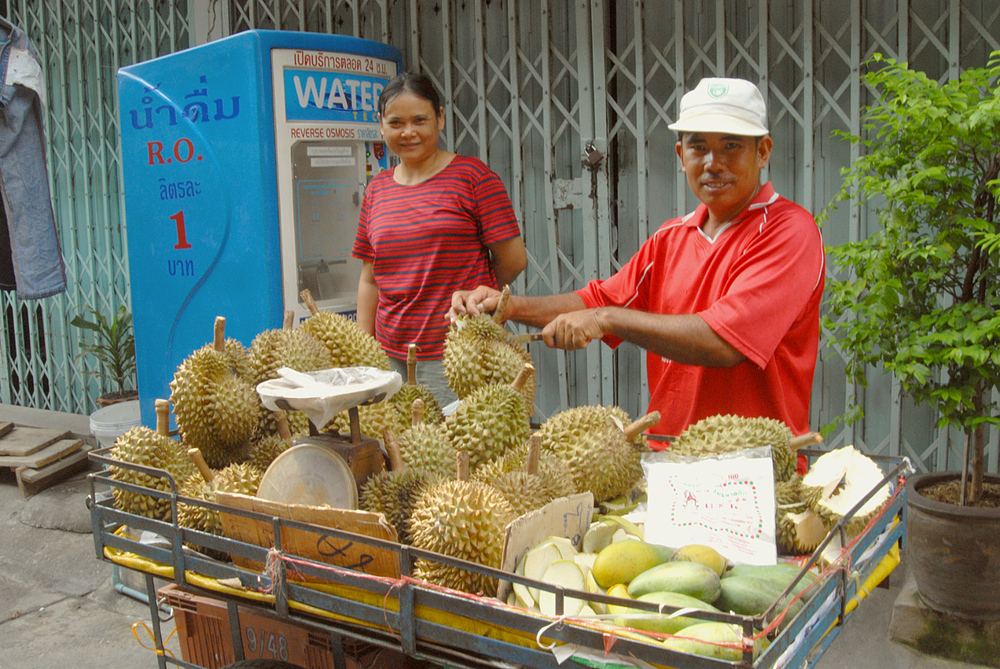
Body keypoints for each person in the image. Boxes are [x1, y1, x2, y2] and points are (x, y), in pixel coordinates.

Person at [450, 77, 825, 446]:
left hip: (755, 465)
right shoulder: (670, 238)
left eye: (731, 146)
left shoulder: (788, 232)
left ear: (763, 152)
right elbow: (599, 299)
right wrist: (507, 305)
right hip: (669, 454)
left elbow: (725, 343)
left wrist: (605, 320)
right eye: (699, 147)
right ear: (681, 157)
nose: (713, 163)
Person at [353, 72, 527, 406]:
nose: (408, 132)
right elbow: (369, 279)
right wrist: (366, 352)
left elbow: (514, 259)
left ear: (441, 118)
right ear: (381, 125)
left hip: (457, 354)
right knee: (398, 450)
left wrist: (478, 296)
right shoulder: (377, 190)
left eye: (420, 120)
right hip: (389, 355)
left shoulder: (473, 177)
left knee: (453, 449)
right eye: (396, 122)